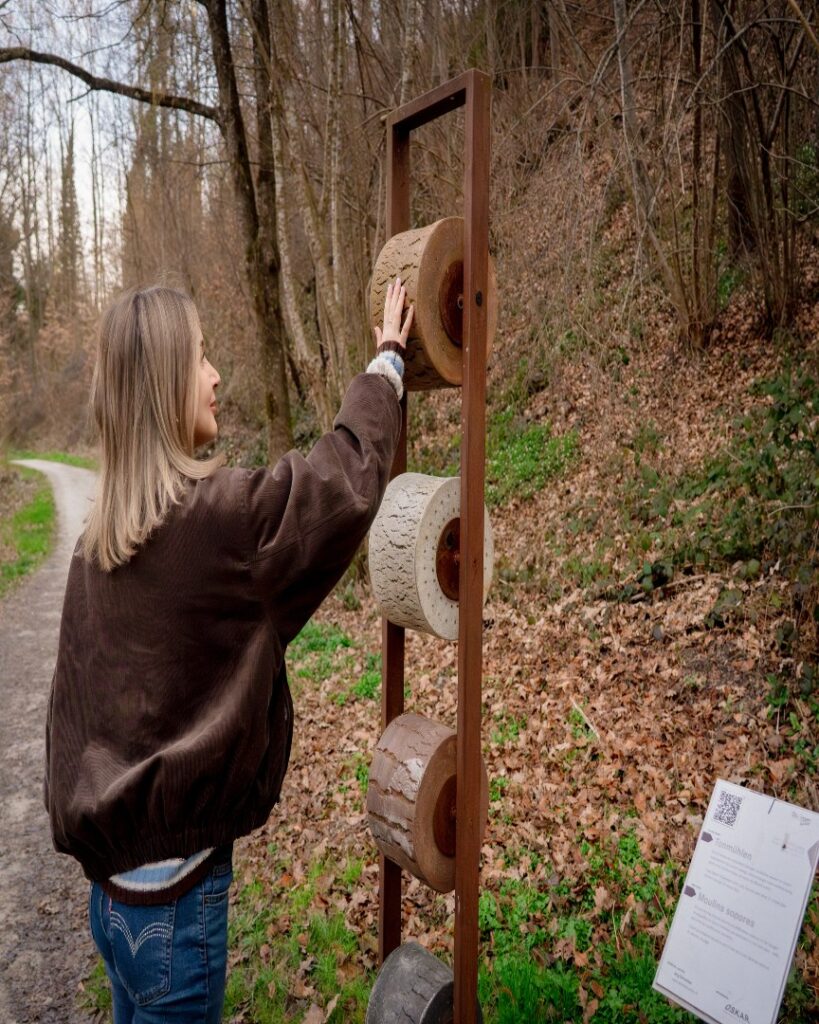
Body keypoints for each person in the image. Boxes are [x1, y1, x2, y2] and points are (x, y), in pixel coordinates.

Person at [44, 279, 414, 1023]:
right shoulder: (222, 524)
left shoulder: (97, 542)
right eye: (201, 360)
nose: (216, 378)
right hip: (176, 915)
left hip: (110, 902)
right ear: (159, 387)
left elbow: (72, 715)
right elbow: (340, 483)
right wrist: (387, 365)